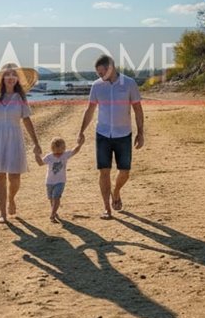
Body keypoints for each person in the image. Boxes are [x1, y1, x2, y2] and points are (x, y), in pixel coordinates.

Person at [77, 54, 144, 219]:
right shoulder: (97, 86)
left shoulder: (129, 83)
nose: (100, 76)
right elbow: (90, 110)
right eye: (98, 73)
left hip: (124, 134)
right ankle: (107, 208)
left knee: (125, 171)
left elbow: (137, 109)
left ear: (111, 67)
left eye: (102, 72)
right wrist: (81, 131)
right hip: (103, 134)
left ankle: (116, 190)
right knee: (104, 172)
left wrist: (140, 132)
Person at [0, 63, 43, 223]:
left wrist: (36, 143)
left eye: (14, 75)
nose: (11, 78)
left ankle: (11, 198)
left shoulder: (20, 98)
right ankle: (3, 214)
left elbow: (26, 120)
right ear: (3, 78)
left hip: (15, 137)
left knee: (14, 177)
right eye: (8, 75)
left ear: (17, 79)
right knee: (0, 176)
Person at [34, 136, 84, 223]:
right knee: (51, 199)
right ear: (52, 149)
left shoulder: (65, 155)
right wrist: (36, 154)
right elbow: (40, 163)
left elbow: (74, 151)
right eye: (56, 150)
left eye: (61, 149)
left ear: (64, 148)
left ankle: (52, 214)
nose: (59, 152)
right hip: (49, 182)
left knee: (56, 197)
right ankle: (54, 211)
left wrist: (79, 144)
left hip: (60, 181)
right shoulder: (49, 157)